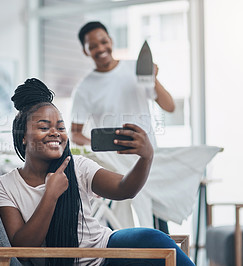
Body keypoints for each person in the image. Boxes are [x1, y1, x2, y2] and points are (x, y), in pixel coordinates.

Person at [0, 78, 194, 266]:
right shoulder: (4, 186)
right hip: (68, 262)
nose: (55, 133)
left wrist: (146, 158)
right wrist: (50, 195)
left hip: (106, 251)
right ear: (22, 136)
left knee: (154, 239)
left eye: (60, 128)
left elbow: (124, 189)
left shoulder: (79, 166)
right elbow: (23, 250)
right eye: (44, 127)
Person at [70, 21, 175, 232]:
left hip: (146, 158)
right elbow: (74, 133)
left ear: (111, 40)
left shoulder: (135, 69)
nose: (100, 49)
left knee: (157, 225)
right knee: (121, 226)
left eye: (103, 42)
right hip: (114, 166)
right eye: (93, 46)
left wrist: (153, 79)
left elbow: (169, 106)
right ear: (85, 50)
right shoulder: (84, 87)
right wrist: (98, 143)